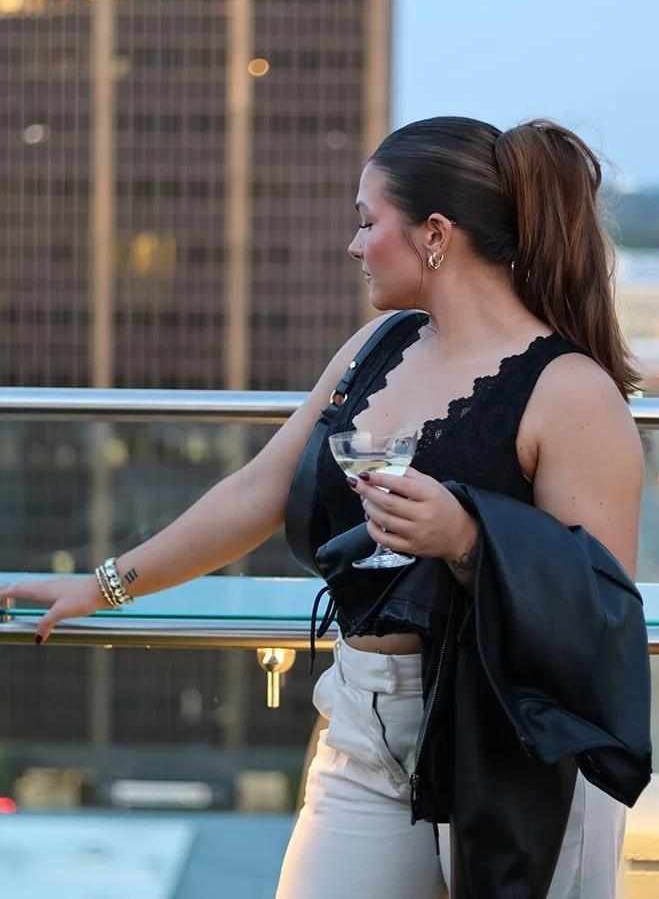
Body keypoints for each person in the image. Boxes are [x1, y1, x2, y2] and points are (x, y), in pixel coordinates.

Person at [0, 117, 645, 898]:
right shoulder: (377, 344)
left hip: (518, 751)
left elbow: (598, 617)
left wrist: (468, 539)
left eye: (368, 221)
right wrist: (103, 585)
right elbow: (257, 490)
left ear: (434, 234)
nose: (354, 244)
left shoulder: (570, 390)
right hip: (364, 725)